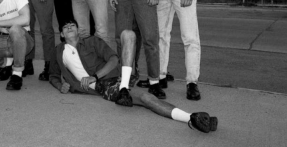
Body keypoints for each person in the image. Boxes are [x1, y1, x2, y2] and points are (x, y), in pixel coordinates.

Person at [49, 20, 218, 134]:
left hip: (116, 74)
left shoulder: (92, 41)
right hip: (107, 85)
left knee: (129, 34)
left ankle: (124, 87)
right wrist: (60, 86)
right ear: (62, 35)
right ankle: (192, 118)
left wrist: (95, 76)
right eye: (65, 27)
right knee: (145, 97)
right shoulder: (59, 52)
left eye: (72, 25)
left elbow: (114, 59)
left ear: (79, 30)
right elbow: (53, 75)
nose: (69, 27)